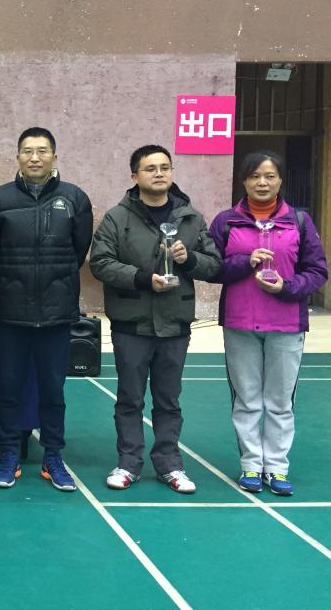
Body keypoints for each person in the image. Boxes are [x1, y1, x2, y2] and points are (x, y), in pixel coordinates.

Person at [90, 144, 221, 494]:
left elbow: (214, 265)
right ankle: (128, 463)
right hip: (131, 323)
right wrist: (143, 279)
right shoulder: (117, 217)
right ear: (135, 176)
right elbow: (100, 262)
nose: (159, 173)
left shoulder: (191, 218)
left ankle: (169, 464)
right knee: (129, 399)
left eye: (165, 167)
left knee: (168, 400)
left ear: (172, 172)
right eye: (150, 168)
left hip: (175, 323)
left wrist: (188, 258)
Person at [207, 151, 327, 496]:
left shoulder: (299, 221)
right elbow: (211, 269)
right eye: (255, 176)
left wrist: (287, 288)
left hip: (286, 324)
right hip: (240, 323)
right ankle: (251, 465)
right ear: (244, 181)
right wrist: (245, 262)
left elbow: (317, 271)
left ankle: (276, 467)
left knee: (280, 402)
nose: (262, 183)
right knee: (246, 400)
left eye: (270, 176)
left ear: (280, 180)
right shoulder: (226, 222)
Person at [0, 127, 93, 492]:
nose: (34, 157)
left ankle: (53, 457)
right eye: (27, 151)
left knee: (52, 390)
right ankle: (9, 453)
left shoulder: (75, 198)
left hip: (56, 313)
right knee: (8, 387)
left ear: (54, 157)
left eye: (42, 151)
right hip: (10, 311)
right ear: (17, 157)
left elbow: (78, 251)